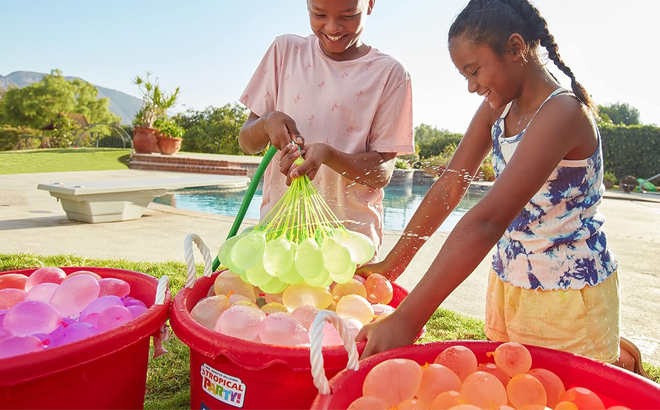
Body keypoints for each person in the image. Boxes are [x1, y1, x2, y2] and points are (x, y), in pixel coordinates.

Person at [355, 0, 646, 376]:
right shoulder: (499, 109)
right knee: (515, 387)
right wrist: (392, 265)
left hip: (569, 296)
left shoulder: (563, 113)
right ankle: (616, 352)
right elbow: (450, 185)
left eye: (474, 71)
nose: (472, 86)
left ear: (514, 47)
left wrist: (408, 320)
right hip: (511, 281)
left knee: (564, 392)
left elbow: (488, 220)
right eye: (464, 76)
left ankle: (619, 356)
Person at [237, 0, 414, 254]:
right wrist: (266, 123)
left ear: (371, 4)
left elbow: (382, 173)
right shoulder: (285, 51)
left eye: (348, 15)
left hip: (348, 246)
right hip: (280, 241)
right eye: (319, 14)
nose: (332, 27)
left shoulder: (389, 74)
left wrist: (330, 156)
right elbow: (247, 142)